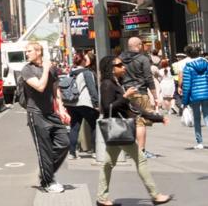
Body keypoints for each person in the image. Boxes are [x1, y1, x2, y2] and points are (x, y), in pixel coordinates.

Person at [96, 55, 172, 206]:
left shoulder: (117, 83)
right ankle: (155, 195)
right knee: (140, 159)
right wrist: (125, 96)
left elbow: (134, 108)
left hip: (118, 129)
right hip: (118, 128)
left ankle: (101, 198)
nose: (123, 67)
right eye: (119, 65)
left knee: (108, 163)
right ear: (111, 68)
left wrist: (157, 118)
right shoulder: (107, 84)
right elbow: (106, 107)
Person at [20, 42, 71, 194]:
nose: (26, 53)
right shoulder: (27, 69)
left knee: (65, 142)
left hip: (51, 113)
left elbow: (55, 90)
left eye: (29, 51)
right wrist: (46, 70)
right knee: (44, 150)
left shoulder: (52, 68)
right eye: (26, 51)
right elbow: (41, 87)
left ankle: (45, 171)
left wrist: (62, 110)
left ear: (38, 52)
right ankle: (47, 182)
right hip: (36, 114)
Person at [121, 36, 160, 158]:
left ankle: (129, 150)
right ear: (138, 46)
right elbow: (149, 78)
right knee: (140, 123)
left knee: (129, 121)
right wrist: (155, 95)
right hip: (140, 92)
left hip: (126, 93)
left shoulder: (121, 58)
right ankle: (141, 151)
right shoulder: (143, 59)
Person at [66, 53, 99, 160]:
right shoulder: (87, 72)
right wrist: (96, 104)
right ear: (84, 61)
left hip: (71, 104)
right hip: (85, 103)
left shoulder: (70, 73)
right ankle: (95, 151)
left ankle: (72, 153)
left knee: (74, 127)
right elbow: (92, 89)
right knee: (94, 126)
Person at [181, 45, 208, 149]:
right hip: (207, 94)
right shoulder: (207, 64)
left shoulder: (188, 67)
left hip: (194, 96)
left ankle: (200, 142)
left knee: (197, 119)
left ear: (188, 54)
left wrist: (184, 101)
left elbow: (186, 86)